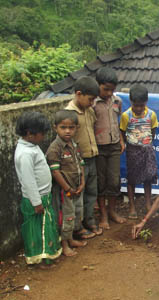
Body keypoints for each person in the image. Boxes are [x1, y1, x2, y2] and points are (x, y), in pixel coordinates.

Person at [14, 111, 62, 266]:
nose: (43, 137)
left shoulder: (32, 147)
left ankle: (47, 255)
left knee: (45, 227)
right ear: (30, 133)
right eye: (42, 133)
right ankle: (39, 258)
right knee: (37, 230)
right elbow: (28, 181)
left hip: (43, 196)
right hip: (37, 199)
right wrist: (36, 202)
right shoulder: (25, 154)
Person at [46, 110, 87, 256]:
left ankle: (70, 239)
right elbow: (55, 172)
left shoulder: (74, 144)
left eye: (71, 127)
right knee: (66, 217)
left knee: (76, 213)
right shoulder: (55, 148)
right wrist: (68, 188)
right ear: (55, 127)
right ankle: (64, 245)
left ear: (76, 128)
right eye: (63, 127)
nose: (68, 131)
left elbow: (81, 164)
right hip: (65, 191)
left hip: (77, 188)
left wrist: (82, 183)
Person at [65, 76, 102, 238]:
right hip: (77, 162)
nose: (92, 103)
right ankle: (77, 227)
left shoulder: (89, 111)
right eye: (90, 99)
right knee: (78, 195)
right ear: (79, 94)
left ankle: (89, 220)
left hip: (92, 157)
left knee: (92, 192)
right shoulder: (69, 114)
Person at [93, 67, 126, 230]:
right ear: (97, 85)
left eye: (111, 90)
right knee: (101, 181)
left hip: (113, 146)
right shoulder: (92, 104)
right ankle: (103, 215)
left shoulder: (117, 101)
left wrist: (121, 140)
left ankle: (112, 211)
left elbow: (117, 123)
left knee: (114, 180)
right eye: (105, 89)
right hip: (98, 148)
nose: (108, 93)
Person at [119, 84, 158, 219]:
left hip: (147, 150)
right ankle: (132, 206)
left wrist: (146, 142)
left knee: (148, 178)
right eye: (136, 105)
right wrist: (124, 143)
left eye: (141, 105)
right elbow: (122, 131)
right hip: (133, 151)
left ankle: (148, 205)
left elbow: (152, 131)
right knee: (132, 179)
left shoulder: (151, 115)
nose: (139, 108)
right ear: (131, 102)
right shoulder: (126, 116)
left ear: (146, 102)